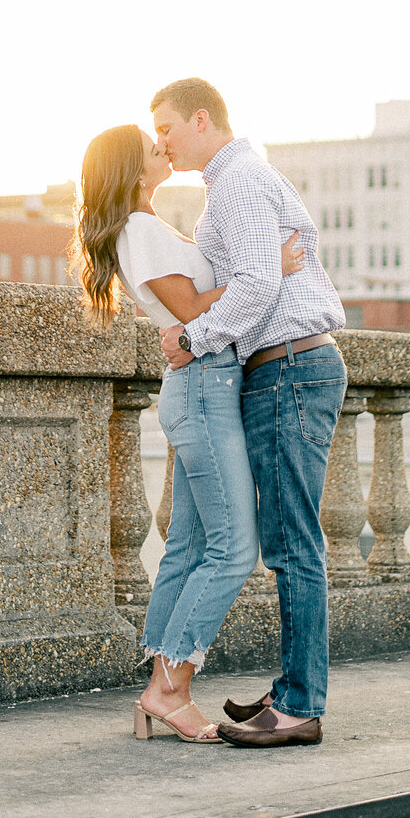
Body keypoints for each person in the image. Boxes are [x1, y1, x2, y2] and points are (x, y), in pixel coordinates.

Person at [71, 122, 304, 743]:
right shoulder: (139, 230)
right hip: (203, 389)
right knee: (233, 551)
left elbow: (197, 309)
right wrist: (272, 268)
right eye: (151, 146)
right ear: (130, 167)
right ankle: (167, 686)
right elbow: (196, 313)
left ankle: (164, 690)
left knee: (189, 550)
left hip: (205, 385)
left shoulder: (147, 226)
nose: (162, 147)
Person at [152, 77, 347, 748]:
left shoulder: (236, 183)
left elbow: (261, 284)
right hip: (289, 366)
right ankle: (295, 686)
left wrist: (190, 338)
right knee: (289, 539)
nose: (162, 141)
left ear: (201, 118)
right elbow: (263, 273)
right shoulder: (243, 180)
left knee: (293, 543)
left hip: (288, 365)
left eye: (168, 127)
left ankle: (297, 706)